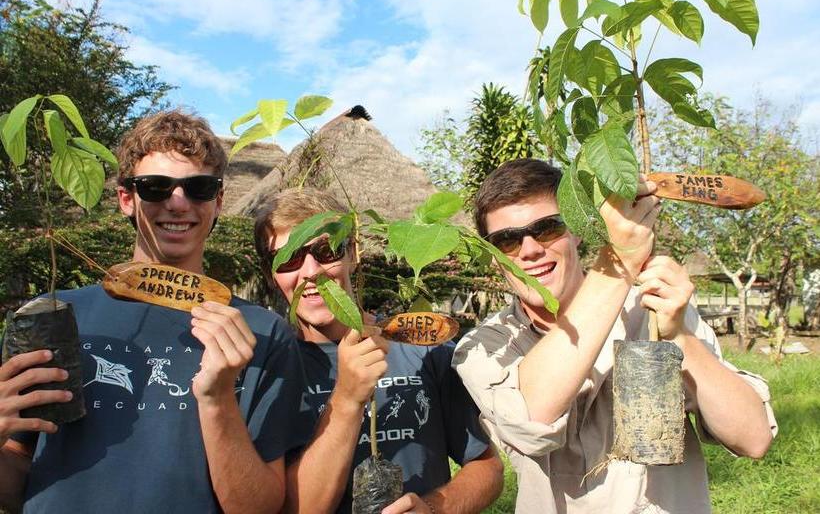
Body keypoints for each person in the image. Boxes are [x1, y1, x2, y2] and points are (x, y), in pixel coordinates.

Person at [0, 110, 314, 513]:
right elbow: (14, 490)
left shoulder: (263, 332)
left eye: (198, 188)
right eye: (156, 187)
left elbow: (259, 507)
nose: (178, 203)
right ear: (127, 199)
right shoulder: (54, 315)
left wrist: (218, 399)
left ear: (218, 202)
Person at [453, 158, 777, 514]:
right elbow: (532, 417)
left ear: (576, 230)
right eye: (507, 241)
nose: (529, 250)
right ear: (495, 257)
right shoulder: (483, 347)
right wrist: (619, 261)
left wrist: (679, 336)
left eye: (547, 228)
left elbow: (753, 438)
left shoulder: (652, 307)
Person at [254, 187, 504, 514]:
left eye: (326, 250)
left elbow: (487, 467)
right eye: (289, 259)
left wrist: (435, 509)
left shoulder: (421, 347)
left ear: (353, 253)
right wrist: (346, 397)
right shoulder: (268, 370)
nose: (311, 271)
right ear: (271, 276)